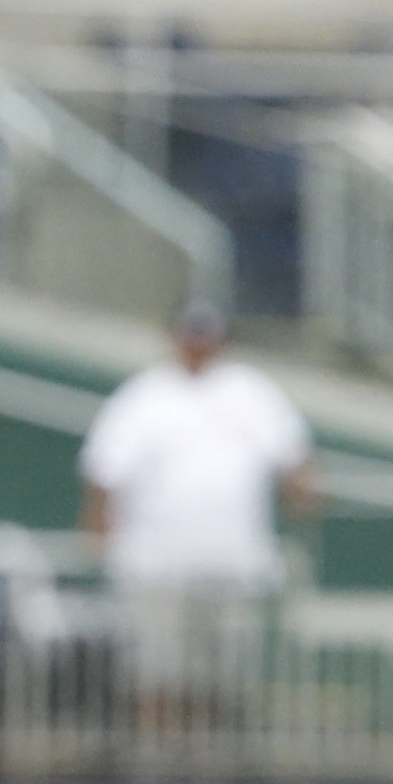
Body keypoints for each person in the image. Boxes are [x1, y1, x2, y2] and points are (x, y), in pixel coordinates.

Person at [77, 301, 317, 737]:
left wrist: (302, 490)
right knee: (156, 666)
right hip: (156, 559)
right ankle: (155, 758)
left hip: (230, 558)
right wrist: (99, 529)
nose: (198, 345)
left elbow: (292, 456)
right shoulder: (145, 395)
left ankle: (212, 761)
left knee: (220, 667)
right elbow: (105, 469)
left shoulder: (250, 391)